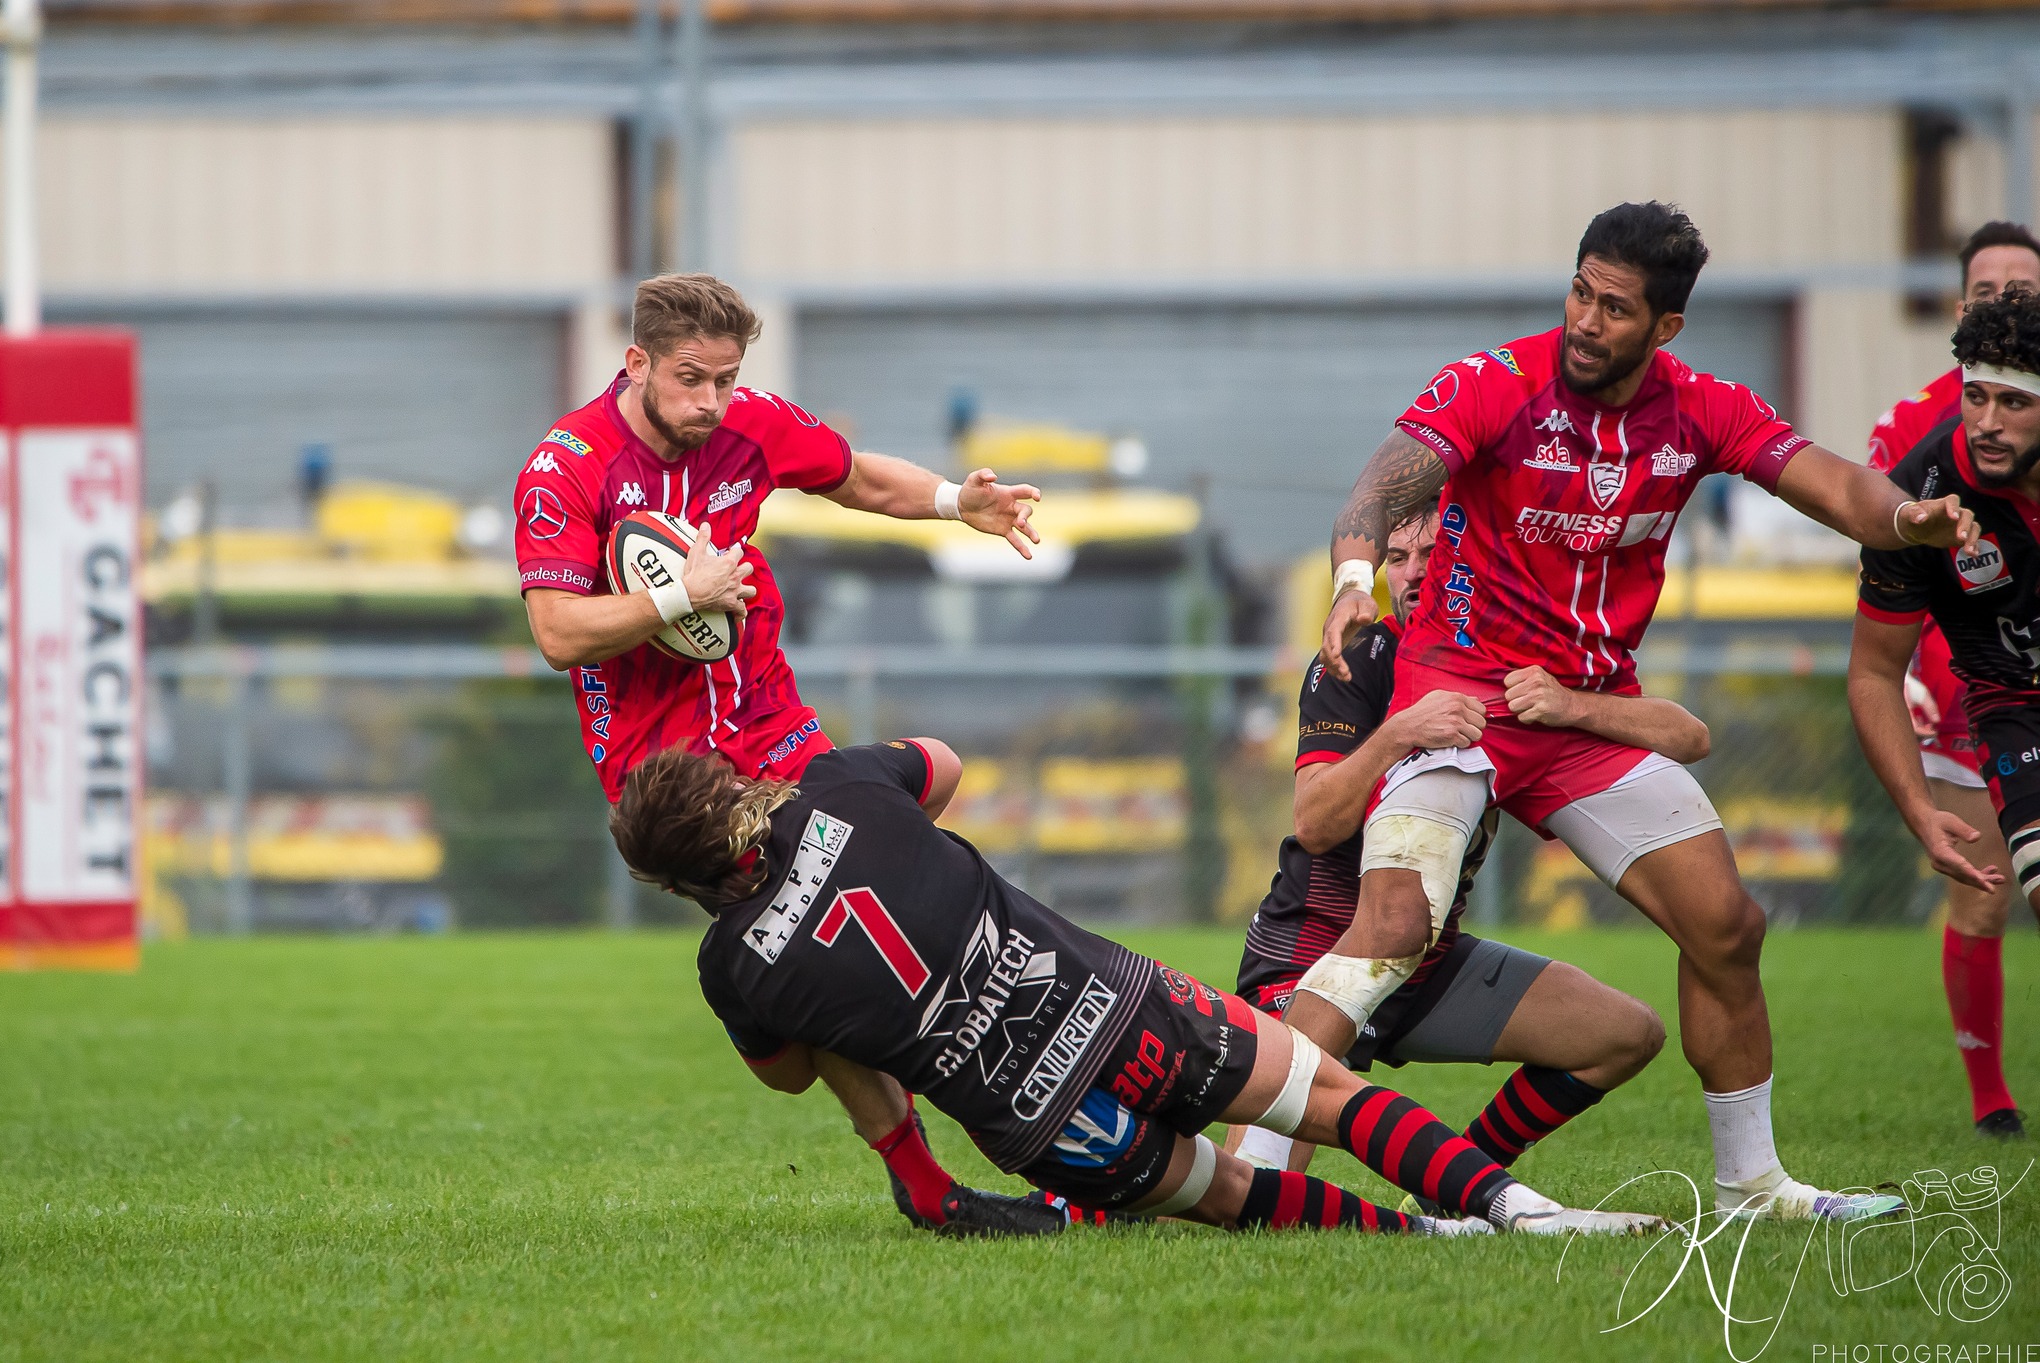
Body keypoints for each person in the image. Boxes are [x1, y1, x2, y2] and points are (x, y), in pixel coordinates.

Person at [1306, 201, 1976, 1222]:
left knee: (1726, 924)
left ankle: (1751, 1185)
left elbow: (1835, 486)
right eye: (1579, 291)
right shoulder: (1497, 379)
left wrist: (1903, 515)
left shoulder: (1699, 408)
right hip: (1463, 698)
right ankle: (1251, 1170)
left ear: (1662, 328)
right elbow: (1387, 474)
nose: (1584, 320)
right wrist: (1354, 573)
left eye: (1612, 308)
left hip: (1583, 715)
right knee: (1393, 924)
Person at [611, 737, 1670, 1237]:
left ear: (680, 881)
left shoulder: (728, 968)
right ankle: (1518, 1212)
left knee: (1222, 1194)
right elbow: (940, 767)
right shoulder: (841, 784)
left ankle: (1422, 1237)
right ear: (730, 788)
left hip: (1029, 1120)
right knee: (1331, 1102)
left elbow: (795, 1077)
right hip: (1111, 1004)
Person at [512, 272, 1052, 1234]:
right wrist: (680, 595)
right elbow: (557, 632)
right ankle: (929, 1181)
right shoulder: (566, 468)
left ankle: (807, 1013)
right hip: (670, 773)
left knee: (935, 777)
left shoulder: (747, 422)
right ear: (635, 363)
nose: (710, 400)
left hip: (773, 719)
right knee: (808, 940)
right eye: (690, 379)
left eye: (725, 378)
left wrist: (950, 502)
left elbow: (850, 474)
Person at [1226, 503, 1681, 1180]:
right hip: (1315, 955)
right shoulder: (1359, 657)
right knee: (1248, 1188)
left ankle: (1451, 1194)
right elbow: (1315, 821)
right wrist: (1399, 731)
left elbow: (1688, 735)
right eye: (1398, 559)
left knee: (1625, 1035)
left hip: (1429, 963)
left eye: (1430, 554)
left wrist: (1571, 705)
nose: (1411, 574)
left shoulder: (1519, 665)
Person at [1864, 221, 2040, 1141]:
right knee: (1984, 887)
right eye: (1988, 286)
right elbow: (1875, 547)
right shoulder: (1920, 428)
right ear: (1962, 299)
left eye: (2023, 284)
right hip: (1966, 690)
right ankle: (1990, 1099)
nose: (2004, 298)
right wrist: (1907, 686)